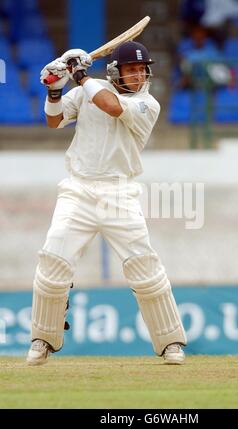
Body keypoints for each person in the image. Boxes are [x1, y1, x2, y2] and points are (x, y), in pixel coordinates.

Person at [26, 41, 187, 366]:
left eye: (143, 70)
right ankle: (42, 339)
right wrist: (55, 89)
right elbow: (54, 121)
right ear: (115, 71)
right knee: (52, 265)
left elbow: (111, 106)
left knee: (145, 270)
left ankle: (171, 344)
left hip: (120, 194)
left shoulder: (146, 104)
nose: (139, 75)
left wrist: (80, 75)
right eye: (132, 70)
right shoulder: (89, 89)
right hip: (78, 190)